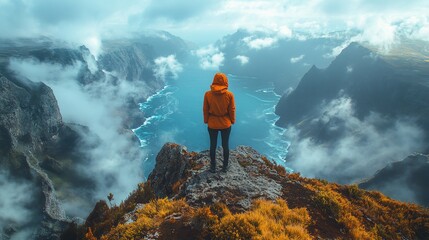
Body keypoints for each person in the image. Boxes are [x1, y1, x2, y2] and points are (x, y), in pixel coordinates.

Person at [203, 72, 236, 173]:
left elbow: (205, 109)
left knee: (212, 145)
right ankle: (224, 167)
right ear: (226, 81)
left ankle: (213, 167)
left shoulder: (208, 94)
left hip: (212, 123)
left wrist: (206, 120)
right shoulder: (229, 95)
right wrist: (232, 120)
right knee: (225, 145)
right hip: (225, 124)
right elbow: (232, 109)